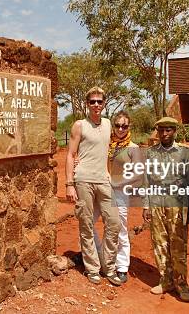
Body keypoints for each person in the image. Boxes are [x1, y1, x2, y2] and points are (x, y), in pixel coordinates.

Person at [65, 87, 122, 286]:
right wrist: (69, 184)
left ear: (104, 103)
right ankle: (92, 268)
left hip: (103, 180)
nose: (96, 105)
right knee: (86, 224)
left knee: (114, 222)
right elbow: (71, 155)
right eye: (92, 102)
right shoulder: (79, 125)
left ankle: (109, 266)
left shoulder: (108, 124)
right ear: (87, 104)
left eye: (99, 101)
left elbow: (115, 147)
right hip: (83, 180)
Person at [142, 116, 189, 301]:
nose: (164, 133)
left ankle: (181, 284)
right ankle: (165, 281)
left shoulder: (185, 153)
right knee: (159, 242)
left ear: (175, 131)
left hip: (177, 204)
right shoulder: (150, 153)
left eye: (168, 130)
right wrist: (146, 205)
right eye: (161, 130)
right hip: (156, 202)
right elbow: (146, 180)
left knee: (178, 244)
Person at [91, 110, 143, 283]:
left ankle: (121, 266)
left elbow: (137, 174)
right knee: (88, 222)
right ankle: (100, 256)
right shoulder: (106, 144)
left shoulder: (133, 148)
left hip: (119, 192)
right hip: (101, 187)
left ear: (129, 127)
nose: (120, 129)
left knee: (120, 228)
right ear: (113, 126)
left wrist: (119, 183)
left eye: (124, 126)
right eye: (118, 125)